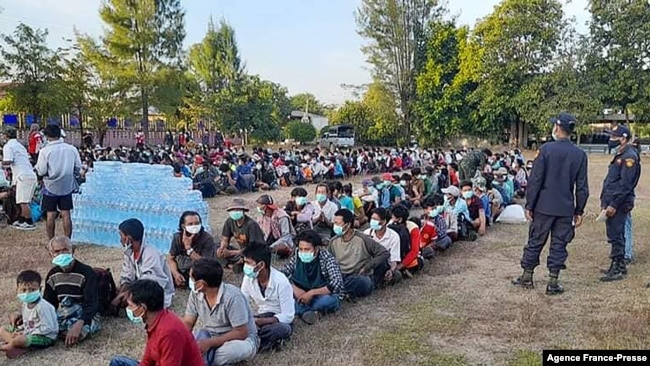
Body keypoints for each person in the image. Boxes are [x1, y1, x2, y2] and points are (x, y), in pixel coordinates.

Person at [513, 113, 589, 294]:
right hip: (565, 207)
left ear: (557, 127)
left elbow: (536, 180)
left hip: (543, 206)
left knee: (535, 240)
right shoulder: (580, 154)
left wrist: (529, 204)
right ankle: (553, 282)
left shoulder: (546, 150)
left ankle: (527, 276)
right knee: (559, 244)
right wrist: (579, 210)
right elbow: (582, 187)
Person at [109, 280, 203, 366]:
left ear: (142, 308)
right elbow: (148, 359)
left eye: (130, 305)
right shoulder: (156, 321)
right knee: (117, 362)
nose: (128, 309)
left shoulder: (169, 333)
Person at [183, 259, 259, 366]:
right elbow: (188, 322)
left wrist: (210, 343)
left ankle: (201, 359)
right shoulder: (196, 293)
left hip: (241, 340)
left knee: (227, 352)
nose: (190, 280)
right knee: (195, 340)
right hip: (210, 335)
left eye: (191, 278)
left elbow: (241, 333)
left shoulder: (232, 297)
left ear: (201, 284)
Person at [599, 124, 640, 282]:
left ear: (623, 138)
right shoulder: (620, 154)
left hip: (619, 203)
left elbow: (625, 185)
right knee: (613, 234)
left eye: (614, 137)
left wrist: (614, 204)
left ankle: (618, 268)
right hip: (612, 200)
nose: (611, 139)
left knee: (617, 235)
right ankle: (617, 264)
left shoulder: (629, 157)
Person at [43, 236, 101, 345]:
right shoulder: (52, 275)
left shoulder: (86, 273)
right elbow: (49, 303)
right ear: (51, 254)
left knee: (82, 331)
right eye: (57, 251)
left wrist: (79, 324)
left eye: (65, 250)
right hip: (65, 312)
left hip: (84, 313)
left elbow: (91, 304)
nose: (61, 254)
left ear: (72, 250)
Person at [240, 243, 294, 352]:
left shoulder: (281, 281)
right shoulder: (248, 278)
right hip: (261, 315)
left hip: (278, 318)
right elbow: (242, 302)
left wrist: (260, 322)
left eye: (248, 263)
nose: (245, 266)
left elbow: (288, 316)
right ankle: (261, 341)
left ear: (261, 265)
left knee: (284, 329)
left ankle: (254, 342)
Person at [281, 230, 343, 324]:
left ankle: (303, 310)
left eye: (307, 249)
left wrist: (312, 293)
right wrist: (294, 288)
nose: (303, 252)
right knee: (283, 298)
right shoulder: (297, 256)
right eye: (301, 249)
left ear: (316, 248)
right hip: (299, 294)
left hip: (319, 294)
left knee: (328, 300)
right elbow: (282, 274)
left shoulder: (327, 258)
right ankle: (310, 312)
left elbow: (336, 283)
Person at [113, 219, 175, 310]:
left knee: (130, 301)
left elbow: (149, 284)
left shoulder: (150, 254)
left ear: (128, 238)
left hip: (155, 293)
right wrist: (121, 293)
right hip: (140, 287)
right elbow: (126, 277)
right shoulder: (129, 253)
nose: (120, 239)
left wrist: (127, 294)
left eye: (121, 235)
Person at [328, 209, 390, 299]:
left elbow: (384, 253)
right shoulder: (333, 241)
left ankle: (338, 291)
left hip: (357, 275)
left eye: (337, 223)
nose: (335, 226)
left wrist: (367, 267)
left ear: (348, 225)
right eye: (334, 223)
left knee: (364, 282)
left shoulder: (362, 238)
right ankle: (343, 291)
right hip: (340, 275)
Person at [35, 124, 82, 239]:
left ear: (47, 136)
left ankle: (51, 241)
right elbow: (77, 167)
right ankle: (68, 240)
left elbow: (41, 170)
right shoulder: (71, 149)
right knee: (66, 214)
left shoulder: (45, 151)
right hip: (67, 185)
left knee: (50, 215)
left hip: (50, 186)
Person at [1, 270, 58, 358]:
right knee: (3, 329)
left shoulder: (43, 307)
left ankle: (10, 345)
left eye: (32, 290)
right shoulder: (25, 303)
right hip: (28, 331)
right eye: (23, 290)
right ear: (17, 290)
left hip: (46, 337)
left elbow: (48, 328)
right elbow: (28, 321)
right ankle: (17, 345)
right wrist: (19, 329)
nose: (27, 293)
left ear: (39, 289)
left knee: (21, 339)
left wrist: (25, 334)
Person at [168, 211, 216, 288]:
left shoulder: (207, 239)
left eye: (197, 223)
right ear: (183, 226)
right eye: (190, 224)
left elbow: (206, 264)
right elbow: (170, 259)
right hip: (181, 267)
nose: (194, 226)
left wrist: (189, 248)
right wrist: (176, 274)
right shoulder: (177, 237)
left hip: (198, 268)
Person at [2, 127, 38, 230]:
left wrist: (1, 162)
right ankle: (22, 219)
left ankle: (29, 221)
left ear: (6, 136)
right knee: (21, 199)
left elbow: (8, 161)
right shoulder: (20, 146)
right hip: (28, 174)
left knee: (23, 201)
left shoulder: (8, 146)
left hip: (23, 176)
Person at [217, 198, 266, 272]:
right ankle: (232, 265)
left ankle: (239, 263)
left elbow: (254, 248)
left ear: (243, 211)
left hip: (254, 251)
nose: (235, 212)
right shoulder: (229, 221)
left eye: (237, 210)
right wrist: (222, 249)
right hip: (241, 252)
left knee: (251, 256)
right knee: (215, 248)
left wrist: (231, 253)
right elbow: (225, 239)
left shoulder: (251, 225)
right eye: (233, 210)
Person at [364, 208, 402, 285]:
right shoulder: (366, 233)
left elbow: (394, 260)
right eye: (372, 218)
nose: (372, 221)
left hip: (383, 265)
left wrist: (391, 270)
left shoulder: (393, 236)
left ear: (384, 221)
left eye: (375, 219)